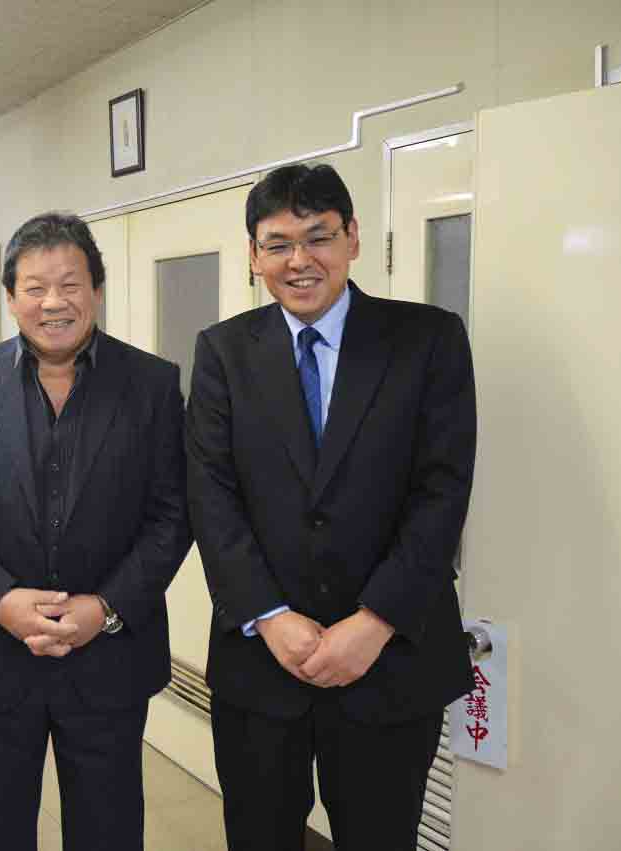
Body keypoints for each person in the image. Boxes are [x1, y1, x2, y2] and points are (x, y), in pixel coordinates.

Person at [185, 163, 477, 851]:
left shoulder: (427, 340)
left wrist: (373, 623)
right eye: (278, 243)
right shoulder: (224, 352)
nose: (300, 260)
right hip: (262, 664)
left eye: (318, 237)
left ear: (353, 238)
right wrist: (270, 615)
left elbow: (442, 491)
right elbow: (211, 494)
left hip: (391, 661)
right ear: (254, 256)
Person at [0, 212, 192, 851]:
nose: (53, 302)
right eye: (35, 287)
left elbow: (173, 514)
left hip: (108, 659)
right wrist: (1, 601)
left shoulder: (152, 384)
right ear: (10, 298)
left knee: (107, 831)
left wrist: (108, 607)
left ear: (96, 289)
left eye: (70, 284)